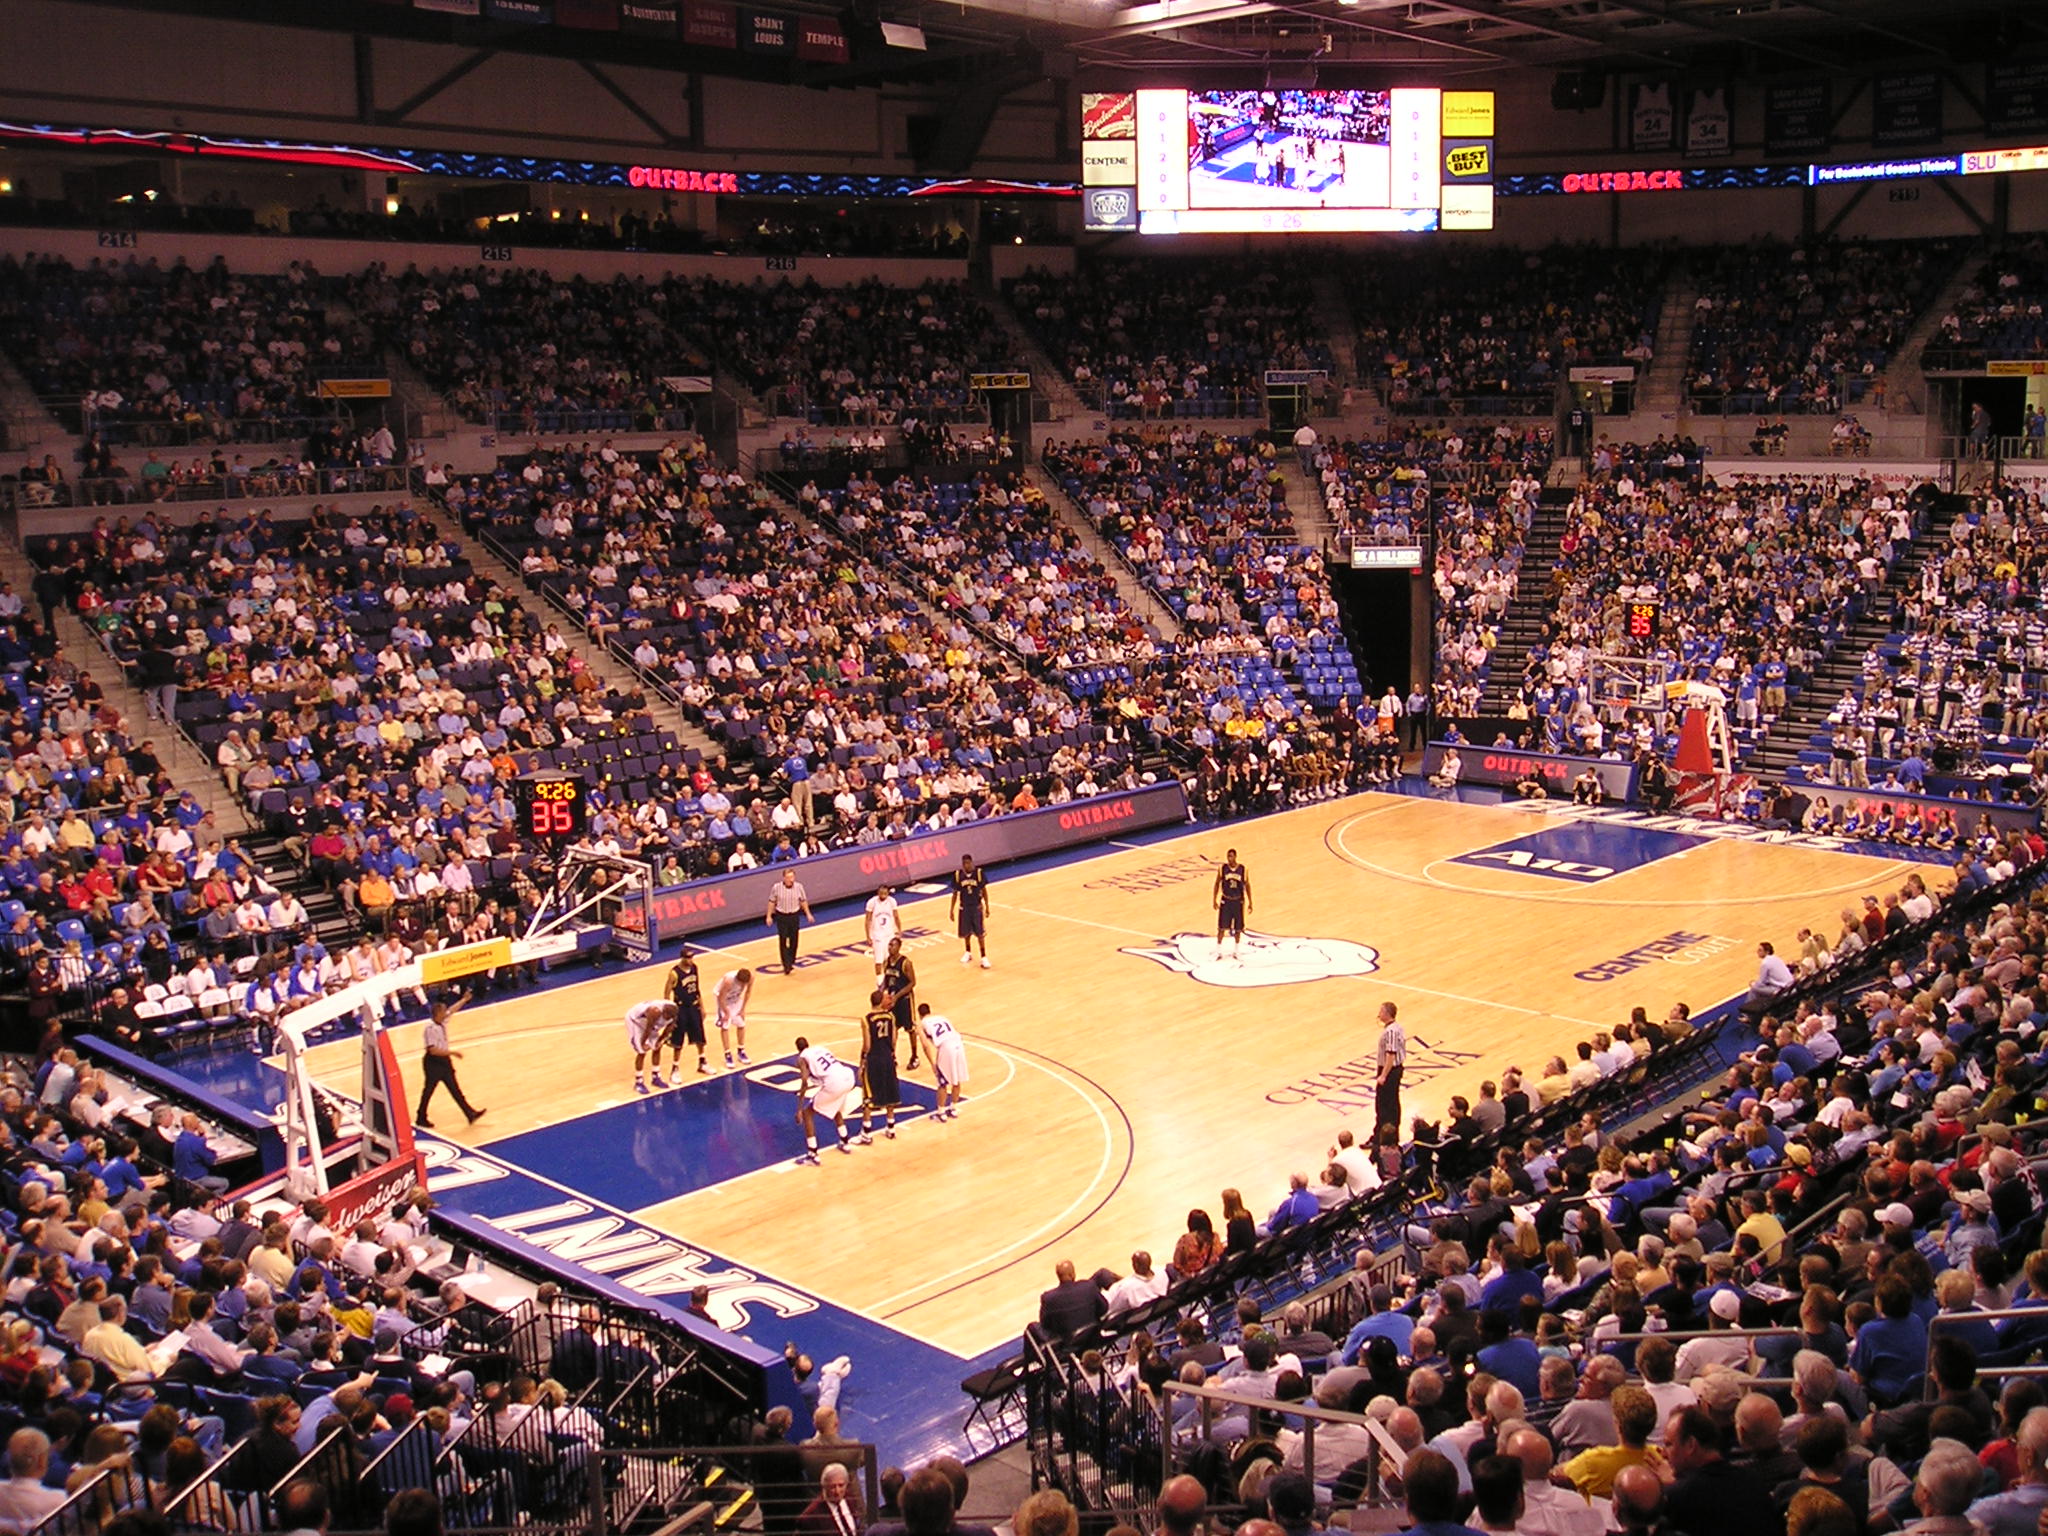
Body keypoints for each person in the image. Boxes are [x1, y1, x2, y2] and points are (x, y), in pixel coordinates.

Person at [416, 989, 484, 1128]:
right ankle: (421, 1117)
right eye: (443, 1011)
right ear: (437, 1014)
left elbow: (452, 1010)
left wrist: (464, 1000)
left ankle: (469, 1113)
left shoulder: (442, 1020)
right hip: (433, 1063)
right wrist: (452, 1053)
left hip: (444, 1061)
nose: (446, 1013)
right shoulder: (430, 1028)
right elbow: (432, 1050)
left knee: (455, 1089)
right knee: (428, 1090)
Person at [794, 1036, 861, 1164]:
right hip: (848, 1076)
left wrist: (799, 1109)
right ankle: (845, 1142)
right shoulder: (820, 1048)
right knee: (835, 1106)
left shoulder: (802, 1058)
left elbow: (804, 1082)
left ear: (798, 1049)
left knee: (807, 1113)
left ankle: (812, 1154)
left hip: (835, 1082)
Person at [858, 991, 901, 1144]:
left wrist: (862, 1062)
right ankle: (891, 1128)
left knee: (869, 1095)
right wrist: (891, 1053)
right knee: (890, 1092)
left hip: (874, 1059)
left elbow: (867, 1045)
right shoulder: (891, 1017)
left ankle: (867, 1133)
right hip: (888, 1058)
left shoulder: (866, 1019)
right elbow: (895, 1040)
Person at [664, 945, 709, 1077]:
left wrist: (703, 1007)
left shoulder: (695, 968)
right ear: (682, 958)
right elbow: (667, 992)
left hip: (694, 1006)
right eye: (688, 958)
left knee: (700, 1037)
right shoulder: (674, 973)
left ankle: (702, 1062)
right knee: (678, 1040)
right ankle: (675, 1069)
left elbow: (697, 988)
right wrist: (668, 1010)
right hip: (680, 1008)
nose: (691, 960)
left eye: (692, 957)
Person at [918, 1004, 968, 1120]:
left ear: (919, 1014)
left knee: (942, 1082)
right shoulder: (942, 1017)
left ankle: (941, 1112)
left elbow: (925, 1046)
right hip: (958, 1044)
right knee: (956, 1078)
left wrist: (932, 1064)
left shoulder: (922, 1024)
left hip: (946, 1047)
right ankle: (954, 1108)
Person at [881, 937, 919, 1069]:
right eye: (889, 945)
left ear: (899, 947)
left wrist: (897, 996)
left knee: (910, 1029)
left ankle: (914, 1056)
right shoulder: (886, 963)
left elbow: (913, 982)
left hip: (905, 1000)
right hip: (893, 1000)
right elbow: (886, 982)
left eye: (893, 945)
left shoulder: (905, 963)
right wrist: (884, 995)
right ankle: (893, 1056)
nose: (890, 947)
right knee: (893, 1029)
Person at [626, 1000, 679, 1096]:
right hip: (635, 1021)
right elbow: (648, 1028)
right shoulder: (655, 1012)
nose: (667, 1019)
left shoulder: (674, 1012)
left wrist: (660, 1041)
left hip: (648, 1023)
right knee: (642, 1052)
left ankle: (656, 1077)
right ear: (664, 1012)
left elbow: (669, 1028)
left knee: (657, 1048)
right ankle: (639, 1081)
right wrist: (643, 1044)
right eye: (666, 1017)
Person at [766, 871, 814, 974]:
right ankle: (786, 965)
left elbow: (803, 901)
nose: (791, 879)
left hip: (794, 915)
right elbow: (771, 901)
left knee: (794, 940)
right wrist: (769, 916)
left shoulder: (799, 887)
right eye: (788, 877)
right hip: (782, 916)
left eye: (792, 876)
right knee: (783, 940)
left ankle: (791, 961)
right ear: (784, 878)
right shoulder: (776, 887)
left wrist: (808, 914)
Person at [951, 854, 990, 968]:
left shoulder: (978, 873)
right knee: (966, 933)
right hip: (964, 907)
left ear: (971, 862)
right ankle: (968, 952)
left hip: (976, 907)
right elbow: (955, 893)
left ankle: (984, 957)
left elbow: (984, 890)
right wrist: (951, 909)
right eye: (964, 863)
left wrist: (987, 906)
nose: (966, 865)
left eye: (967, 863)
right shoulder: (958, 875)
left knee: (980, 934)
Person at [1213, 848, 1252, 958]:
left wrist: (1250, 902)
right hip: (1226, 900)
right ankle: (1218, 951)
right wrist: (1214, 899)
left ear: (1235, 856)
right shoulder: (1222, 868)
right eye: (1228, 856)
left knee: (1238, 928)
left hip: (1238, 901)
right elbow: (1216, 884)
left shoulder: (1243, 869)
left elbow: (1247, 885)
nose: (1229, 858)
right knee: (1221, 927)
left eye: (1231, 856)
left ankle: (1236, 950)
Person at [1375, 1001, 1406, 1136]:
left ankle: (1387, 1135)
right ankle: (1380, 1133)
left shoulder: (1391, 1031)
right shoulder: (1395, 1028)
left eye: (1381, 1011)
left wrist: (1383, 1075)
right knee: (1386, 1103)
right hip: (1390, 1070)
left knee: (1386, 1105)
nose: (1379, 1014)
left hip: (1390, 1071)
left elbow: (1391, 1055)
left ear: (1387, 1014)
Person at [714, 967, 753, 1069]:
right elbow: (720, 997)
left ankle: (741, 1050)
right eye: (741, 984)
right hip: (723, 1000)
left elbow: (748, 993)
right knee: (725, 1026)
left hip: (735, 999)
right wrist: (726, 1012)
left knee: (741, 1023)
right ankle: (727, 1054)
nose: (743, 986)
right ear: (737, 979)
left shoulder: (751, 978)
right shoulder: (729, 980)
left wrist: (743, 1009)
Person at [1742, 941, 1794, 1016]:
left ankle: (1747, 1013)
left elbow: (1761, 982)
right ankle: (1754, 1009)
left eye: (1760, 950)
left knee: (1754, 988)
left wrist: (1752, 984)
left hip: (1781, 989)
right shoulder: (1776, 958)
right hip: (1790, 986)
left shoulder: (1765, 963)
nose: (1757, 952)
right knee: (1757, 988)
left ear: (1767, 952)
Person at [864, 886, 900, 977]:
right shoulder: (872, 902)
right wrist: (868, 936)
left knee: (889, 958)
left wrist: (899, 930)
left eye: (885, 893)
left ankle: (888, 978)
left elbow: (896, 917)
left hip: (889, 934)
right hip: (877, 935)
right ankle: (879, 982)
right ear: (878, 893)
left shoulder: (892, 901)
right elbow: (867, 920)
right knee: (878, 961)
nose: (882, 895)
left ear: (888, 893)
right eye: (881, 893)